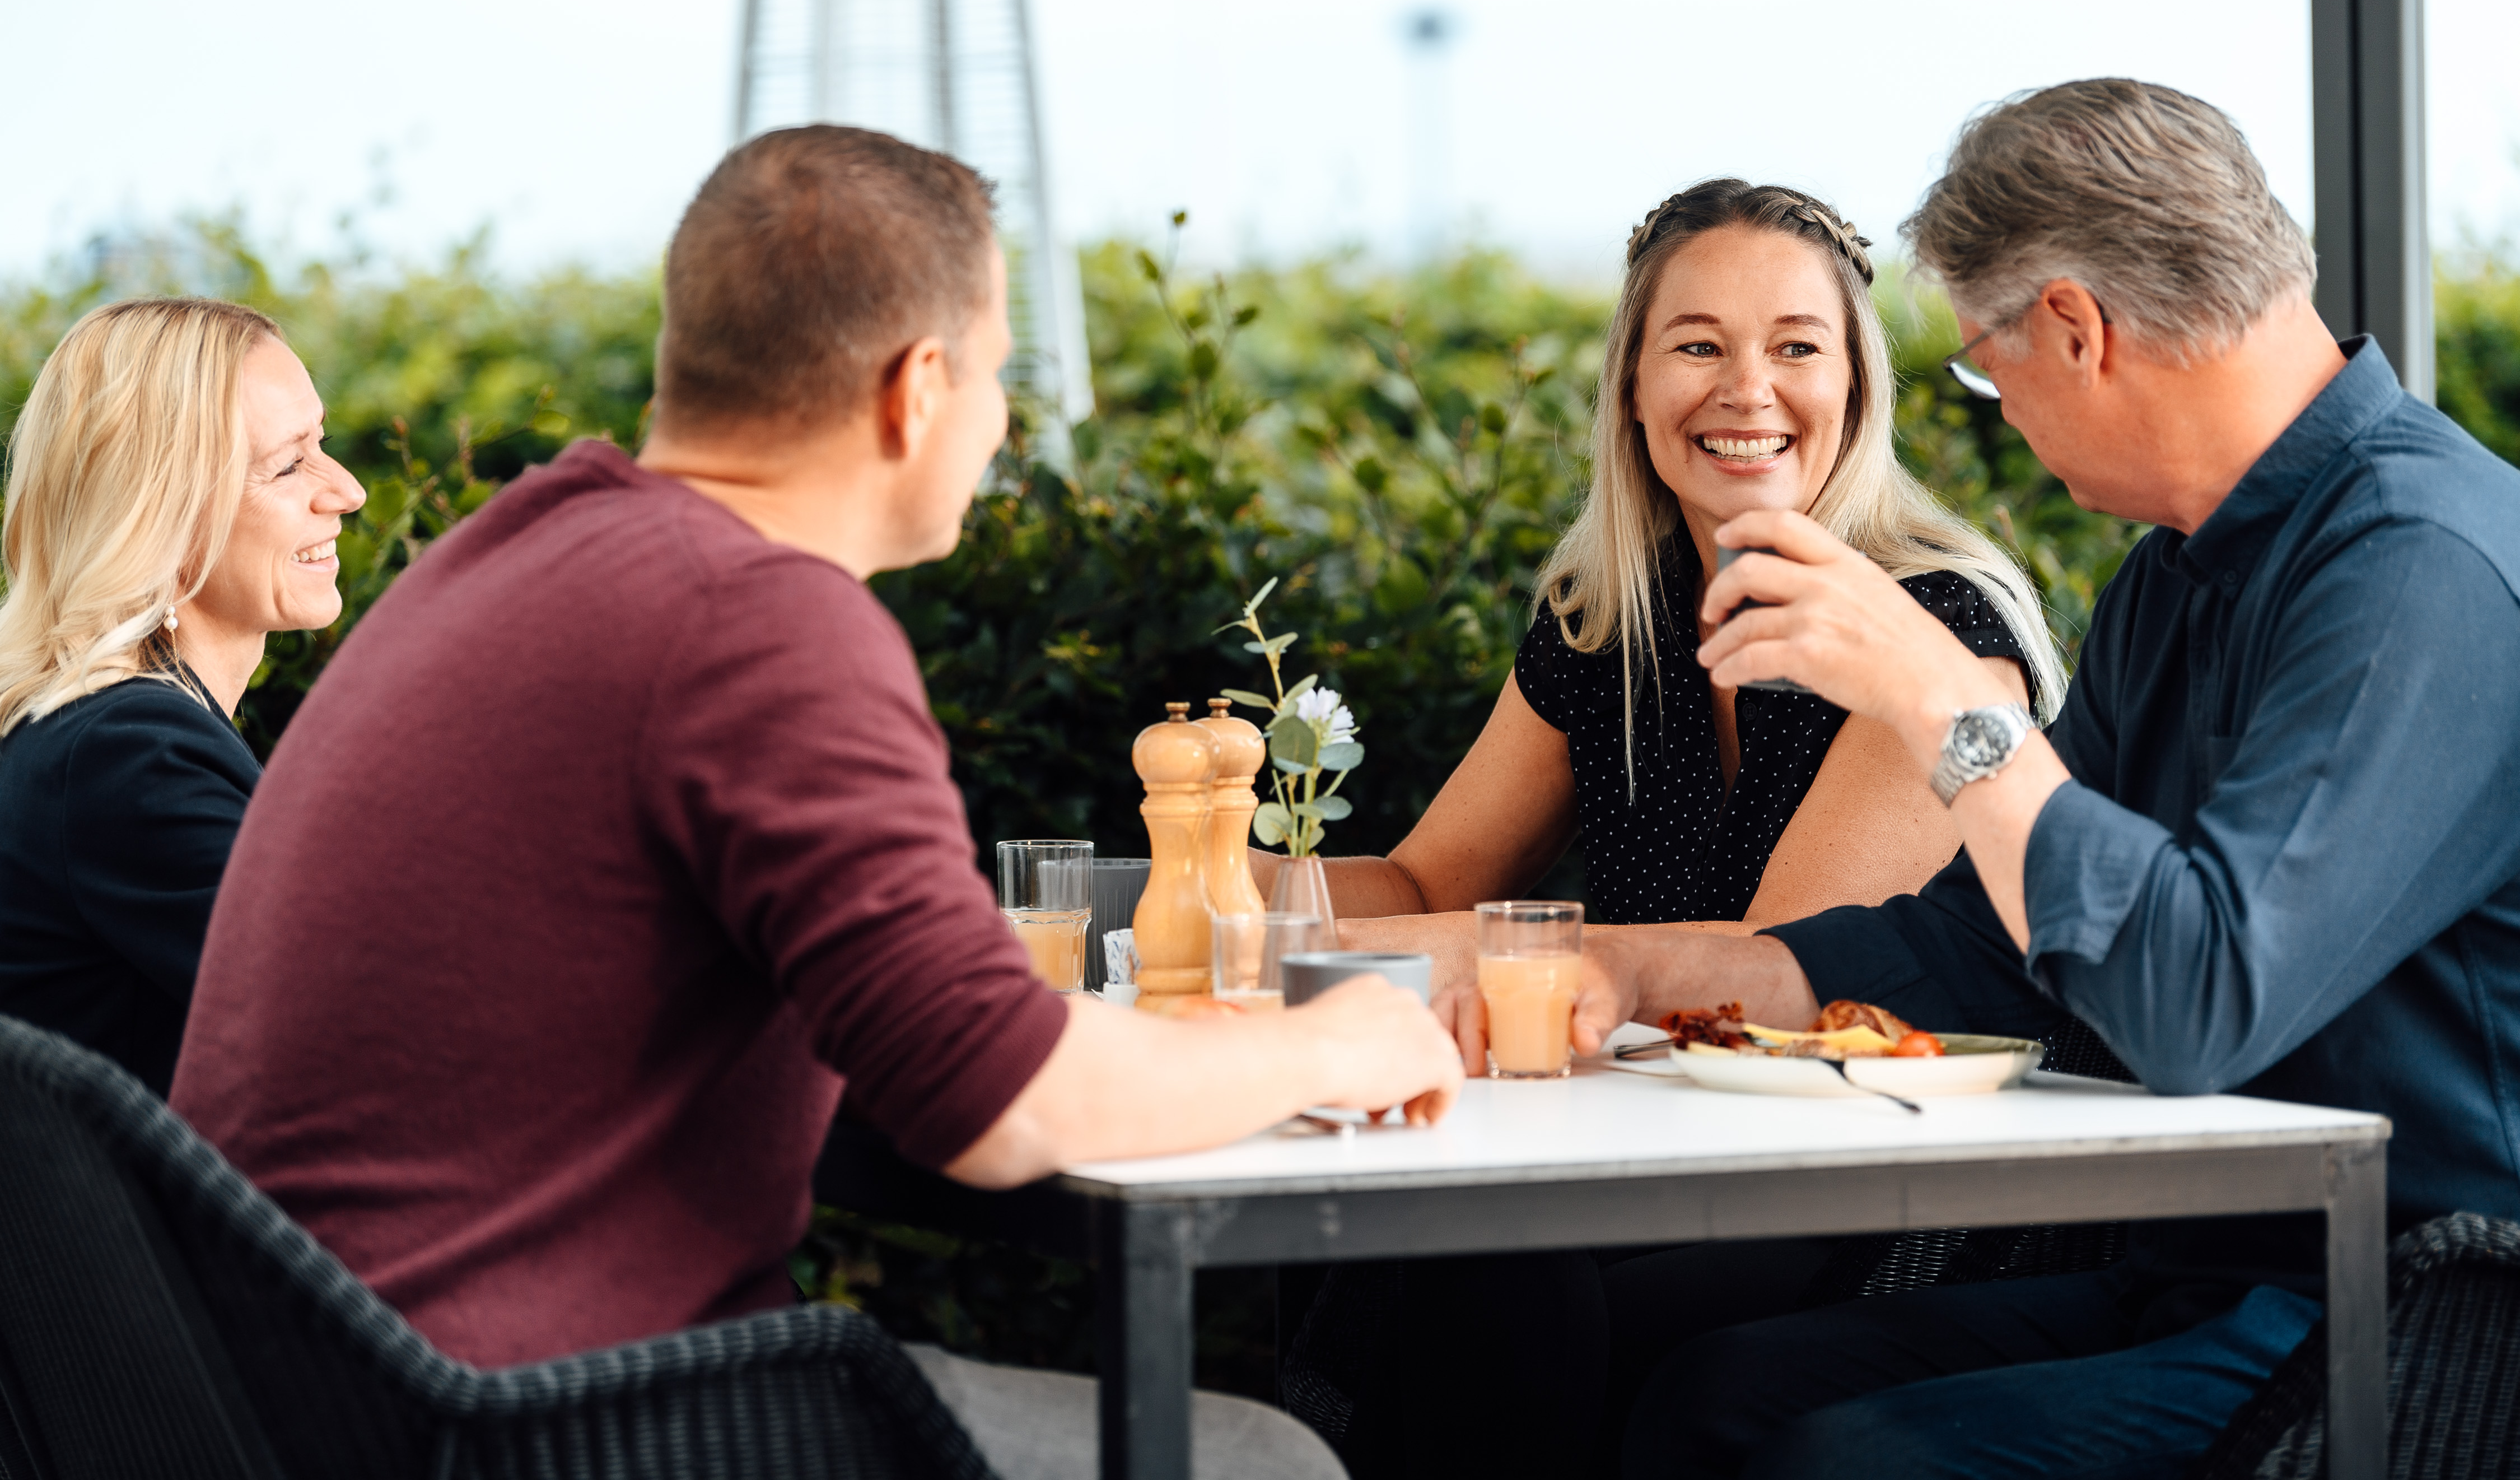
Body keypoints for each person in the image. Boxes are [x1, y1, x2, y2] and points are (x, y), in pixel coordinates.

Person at [170, 126, 1459, 1479]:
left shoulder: (514, 550)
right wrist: (1334, 1046)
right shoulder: (755, 616)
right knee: (1265, 1465)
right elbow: (999, 1098)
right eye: (998, 375)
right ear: (919, 389)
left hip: (314, 1387)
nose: (1002, 423)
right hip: (516, 1422)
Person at [1579, 78, 2520, 1479]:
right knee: (1714, 1393)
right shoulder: (2178, 576)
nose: (2001, 408)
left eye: (1986, 362)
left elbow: (2200, 1002)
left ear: (2075, 329)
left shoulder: (2421, 568)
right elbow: (1986, 950)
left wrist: (1941, 697)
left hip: (2421, 1317)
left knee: (1847, 1461)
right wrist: (1641, 976)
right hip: (2208, 1274)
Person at [1272, 183, 2070, 1478]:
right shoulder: (1608, 620)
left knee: (1493, 1277)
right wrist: (1222, 891)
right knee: (1411, 1230)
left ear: (1857, 386)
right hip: (1640, 1145)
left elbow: (1770, 975)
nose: (1748, 389)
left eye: (1797, 347)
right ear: (1633, 389)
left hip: (1883, 1181)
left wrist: (1319, 960)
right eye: (1698, 345)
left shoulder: (1933, 631)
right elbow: (1424, 878)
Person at [0, 297, 365, 1095]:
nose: (348, 491)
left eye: (323, 444)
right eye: (288, 465)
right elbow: (377, 1015)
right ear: (162, 512)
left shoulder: (95, 732)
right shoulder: (128, 755)